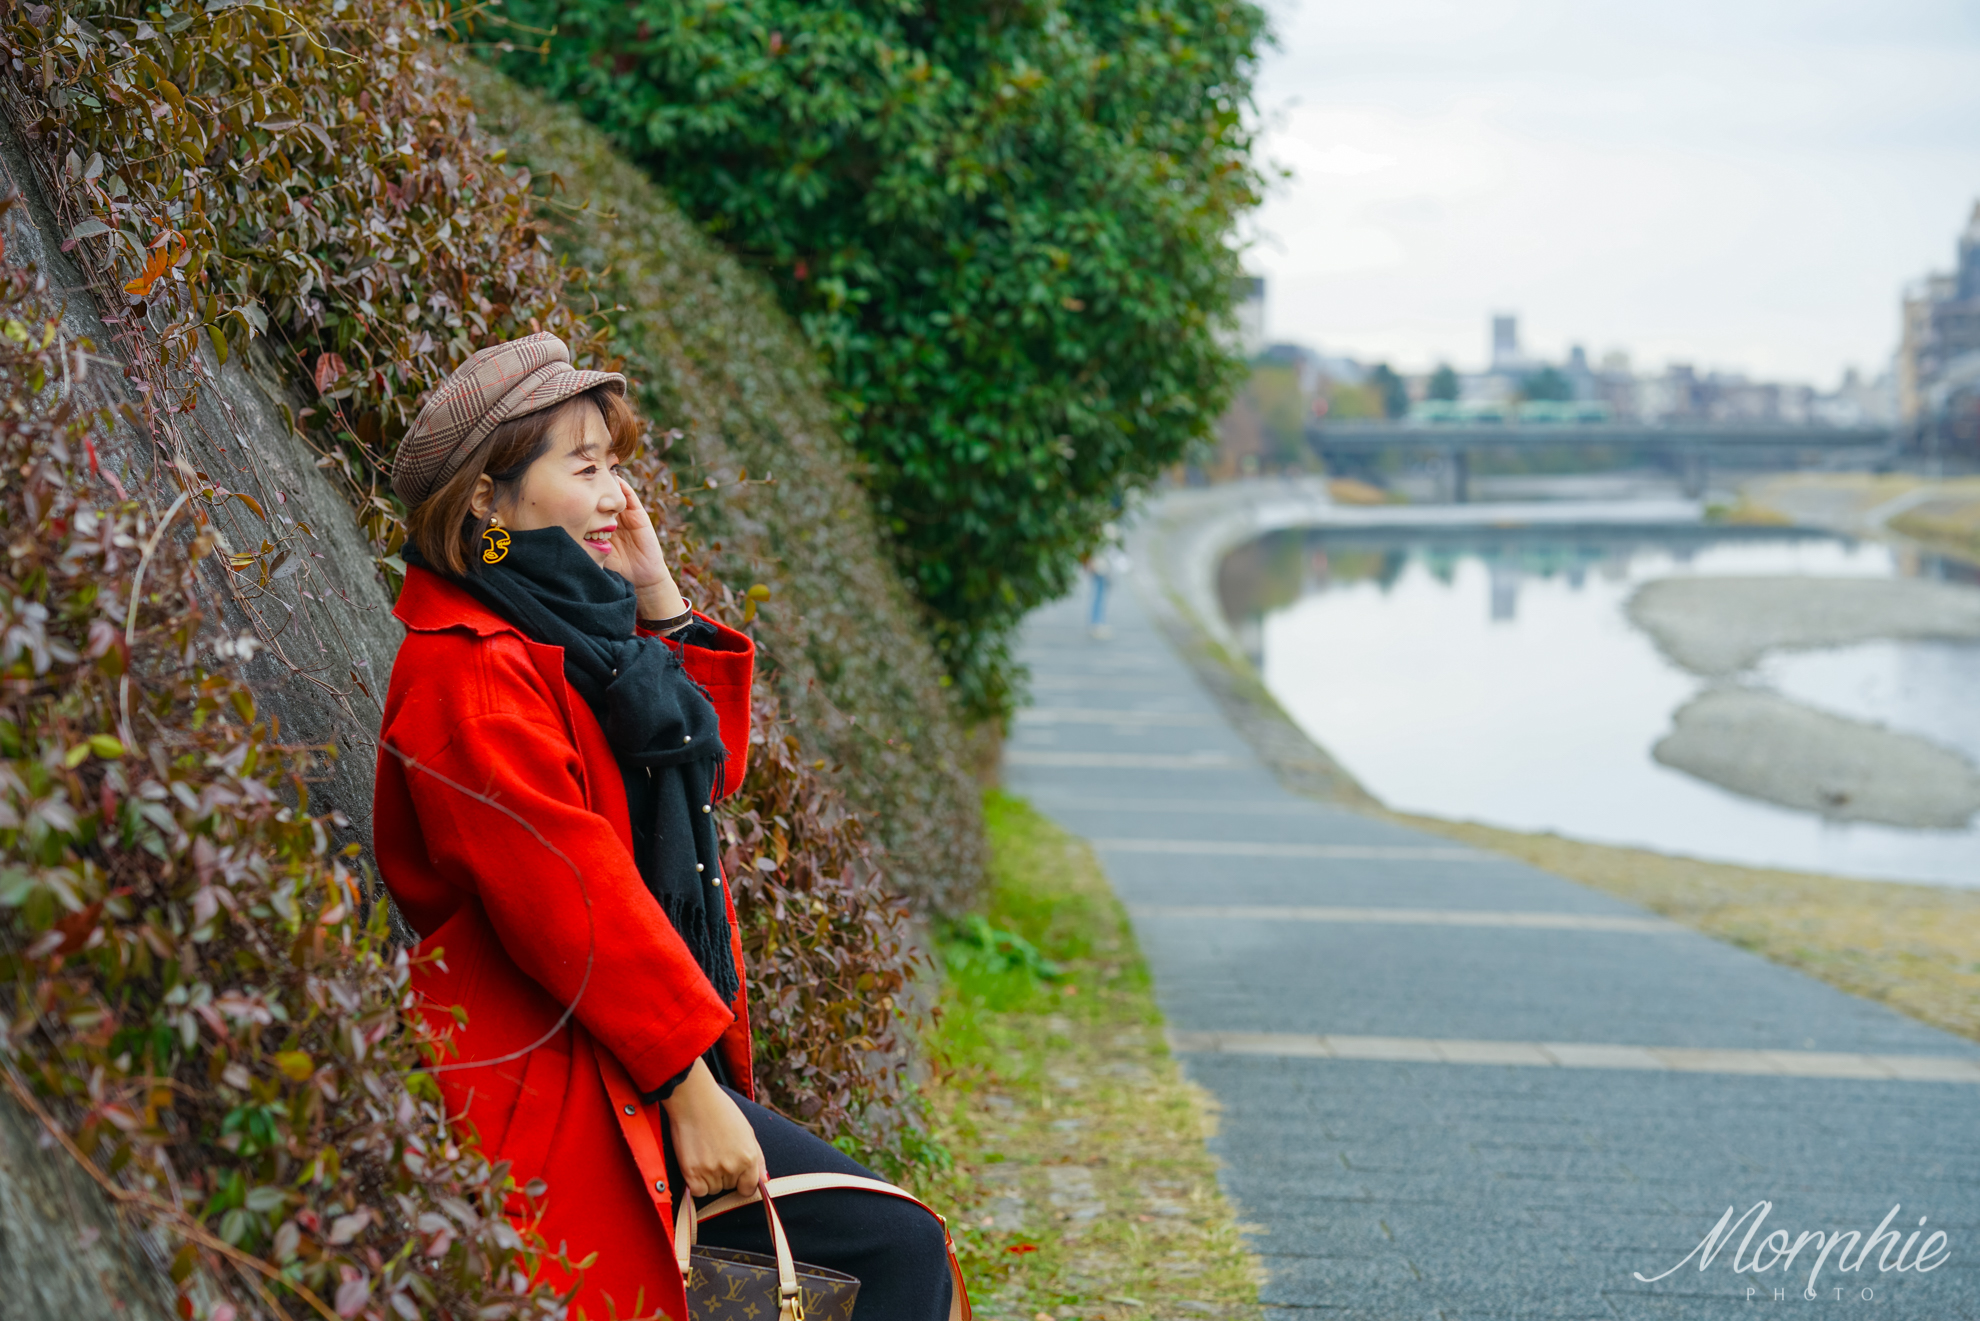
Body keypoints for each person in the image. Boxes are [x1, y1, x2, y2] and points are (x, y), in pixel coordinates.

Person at [373, 333, 956, 1321]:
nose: (615, 495)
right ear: (484, 497)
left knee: (867, 1259)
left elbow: (697, 774)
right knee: (889, 1252)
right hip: (555, 1068)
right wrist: (691, 1089)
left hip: (618, 1049)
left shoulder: (564, 629)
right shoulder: (473, 671)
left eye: (617, 465)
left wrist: (656, 595)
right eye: (586, 465)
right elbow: (573, 899)